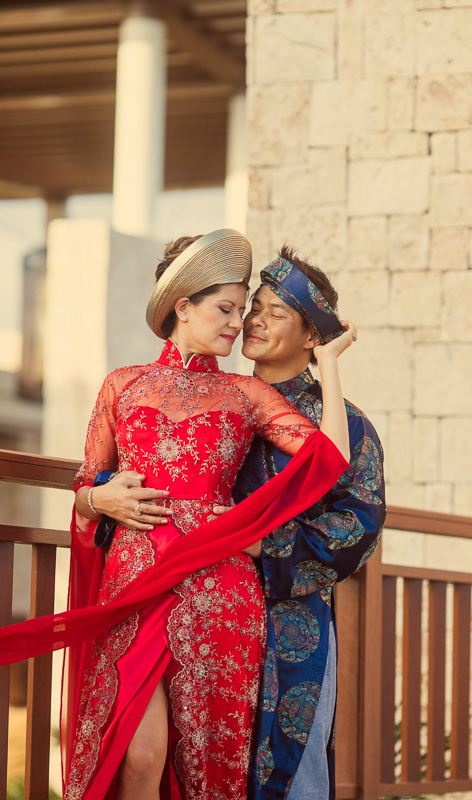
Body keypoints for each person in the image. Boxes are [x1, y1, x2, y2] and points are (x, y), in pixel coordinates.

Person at [0, 230, 357, 800]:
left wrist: (329, 362)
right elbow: (84, 485)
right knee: (139, 758)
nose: (238, 324)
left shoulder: (246, 393)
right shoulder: (122, 384)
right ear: (182, 306)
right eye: (227, 308)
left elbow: (330, 460)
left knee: (206, 767)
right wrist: (100, 498)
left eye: (243, 312)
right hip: (137, 584)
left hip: (219, 589)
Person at [230, 246, 385, 800]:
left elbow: (358, 523)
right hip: (204, 606)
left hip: (291, 621)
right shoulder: (218, 407)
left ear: (312, 338)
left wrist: (260, 543)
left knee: (290, 772)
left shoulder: (345, 423)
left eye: (276, 314)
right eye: (255, 306)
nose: (254, 320)